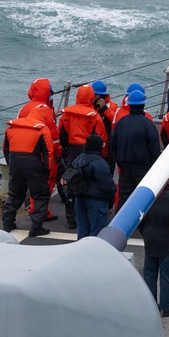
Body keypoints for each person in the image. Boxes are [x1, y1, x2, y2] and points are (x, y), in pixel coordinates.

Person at [59, 84, 108, 229]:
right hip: (89, 154)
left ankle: (71, 219)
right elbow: (101, 139)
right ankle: (86, 215)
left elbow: (61, 135)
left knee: (70, 183)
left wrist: (66, 151)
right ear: (91, 98)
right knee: (90, 183)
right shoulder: (94, 116)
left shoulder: (66, 114)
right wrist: (102, 157)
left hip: (72, 152)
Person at [1, 114, 54, 238]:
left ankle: (7, 224)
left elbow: (5, 149)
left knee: (14, 194)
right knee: (41, 195)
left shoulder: (11, 129)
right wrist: (46, 171)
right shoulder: (41, 128)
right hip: (33, 164)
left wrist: (11, 166)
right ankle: (36, 228)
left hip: (15, 163)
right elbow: (48, 152)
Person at [110, 88, 161, 210]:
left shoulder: (121, 122)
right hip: (143, 167)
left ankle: (120, 223)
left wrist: (119, 161)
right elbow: (154, 148)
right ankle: (142, 223)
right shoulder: (148, 124)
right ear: (143, 104)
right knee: (141, 196)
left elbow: (113, 144)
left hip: (125, 165)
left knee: (124, 195)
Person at [18, 77, 61, 222]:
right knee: (45, 185)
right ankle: (41, 213)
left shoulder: (23, 109)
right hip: (43, 154)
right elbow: (53, 136)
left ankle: (33, 209)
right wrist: (58, 152)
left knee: (32, 185)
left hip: (24, 153)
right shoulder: (45, 111)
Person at [138, 184, 169, 317]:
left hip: (150, 240)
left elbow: (140, 219)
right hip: (167, 240)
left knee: (150, 273)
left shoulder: (147, 198)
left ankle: (151, 305)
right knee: (166, 275)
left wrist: (146, 233)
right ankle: (166, 307)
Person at [70, 134, 116, 239]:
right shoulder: (99, 162)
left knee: (82, 230)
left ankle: (81, 253)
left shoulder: (78, 159)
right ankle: (93, 254)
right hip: (96, 201)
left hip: (80, 199)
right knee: (97, 232)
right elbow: (108, 184)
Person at [91, 79, 118, 175]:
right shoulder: (91, 105)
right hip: (95, 140)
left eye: (95, 95)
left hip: (109, 141)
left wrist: (105, 109)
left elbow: (115, 120)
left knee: (109, 166)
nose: (93, 97)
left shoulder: (112, 106)